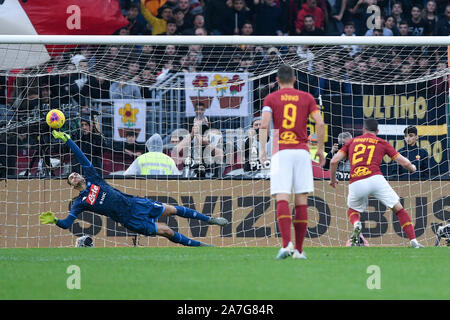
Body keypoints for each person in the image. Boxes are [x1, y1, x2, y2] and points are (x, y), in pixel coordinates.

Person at [40, 130, 228, 247]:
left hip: (136, 203)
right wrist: (55, 220)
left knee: (172, 209)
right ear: (73, 186)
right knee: (167, 232)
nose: (74, 176)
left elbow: (82, 158)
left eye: (74, 174)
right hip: (130, 219)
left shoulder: (93, 178)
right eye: (71, 178)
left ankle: (209, 219)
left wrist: (68, 140)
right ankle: (201, 246)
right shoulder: (80, 202)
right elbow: (66, 223)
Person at [259, 65, 325, 260]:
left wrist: (262, 150)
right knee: (301, 200)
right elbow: (320, 123)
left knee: (282, 197)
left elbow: (264, 124)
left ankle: (286, 244)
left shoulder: (271, 98)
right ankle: (299, 250)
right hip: (302, 152)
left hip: (282, 151)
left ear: (277, 81)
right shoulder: (307, 97)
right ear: (294, 80)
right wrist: (320, 150)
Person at [329, 118, 424, 248]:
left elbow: (333, 161)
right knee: (399, 210)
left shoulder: (352, 142)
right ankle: (414, 241)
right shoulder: (382, 142)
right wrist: (412, 168)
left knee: (353, 209)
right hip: (376, 178)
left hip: (356, 180)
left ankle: (357, 223)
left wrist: (333, 179)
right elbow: (405, 163)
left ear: (363, 130)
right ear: (377, 131)